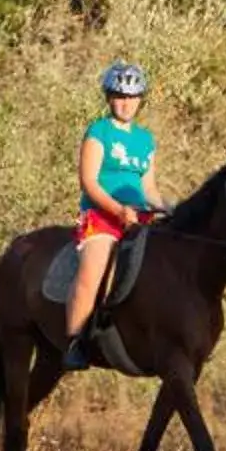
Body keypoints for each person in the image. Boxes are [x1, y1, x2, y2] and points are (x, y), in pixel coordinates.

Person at [64, 60, 156, 368]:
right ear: (108, 97)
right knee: (94, 268)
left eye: (131, 97)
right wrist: (118, 210)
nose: (125, 103)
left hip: (139, 220)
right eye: (119, 95)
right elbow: (88, 181)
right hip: (101, 217)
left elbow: (150, 187)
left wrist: (169, 208)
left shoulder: (145, 139)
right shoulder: (99, 131)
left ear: (140, 99)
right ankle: (75, 341)